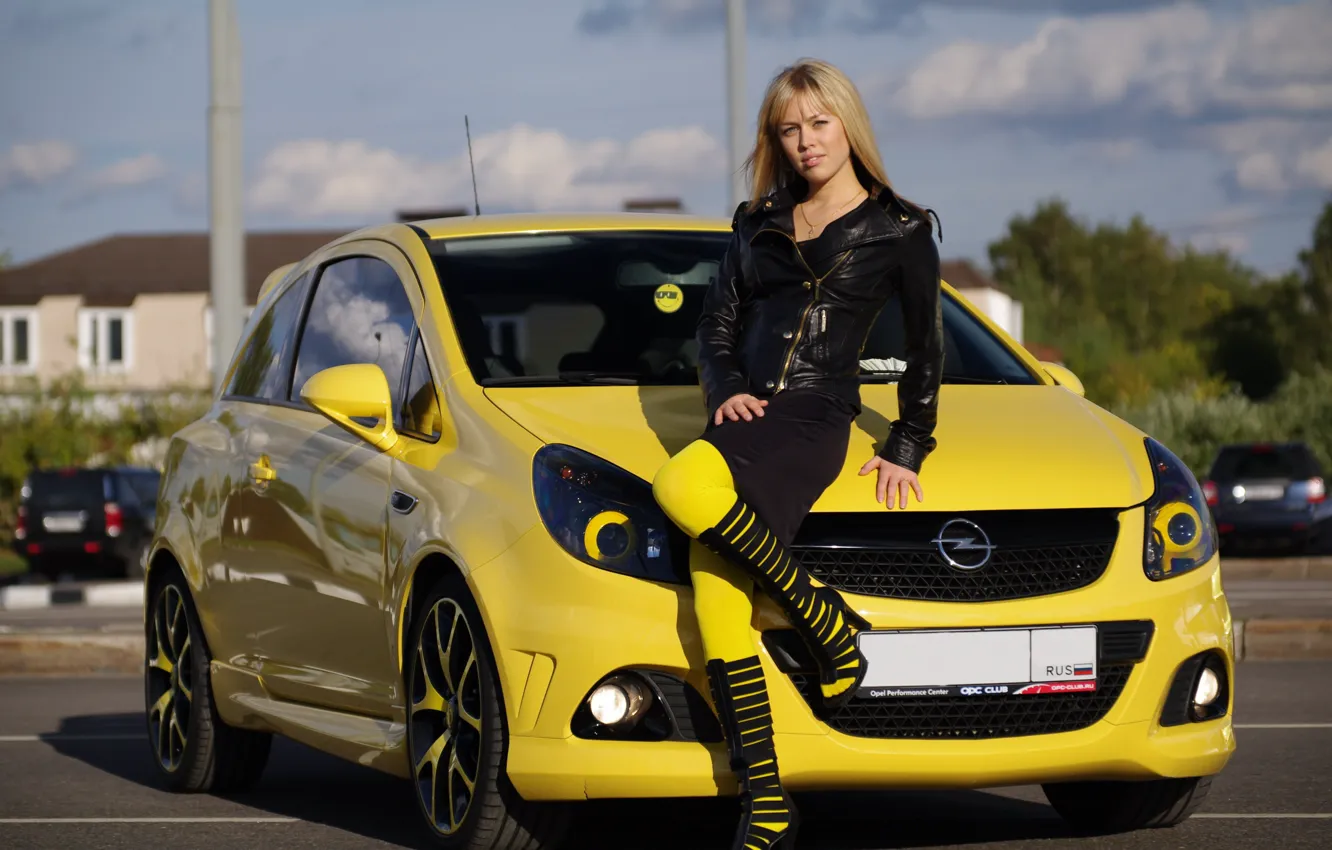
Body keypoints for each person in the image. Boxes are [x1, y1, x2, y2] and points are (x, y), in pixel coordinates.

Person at [651, 57, 944, 850]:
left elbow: (926, 349)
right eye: (790, 128)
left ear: (847, 124)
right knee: (717, 598)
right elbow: (715, 326)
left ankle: (816, 617)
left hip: (816, 416)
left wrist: (908, 446)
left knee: (683, 493)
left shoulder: (901, 228)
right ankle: (769, 798)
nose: (806, 141)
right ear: (774, 140)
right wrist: (723, 391)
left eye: (819, 123)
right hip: (745, 417)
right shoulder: (757, 221)